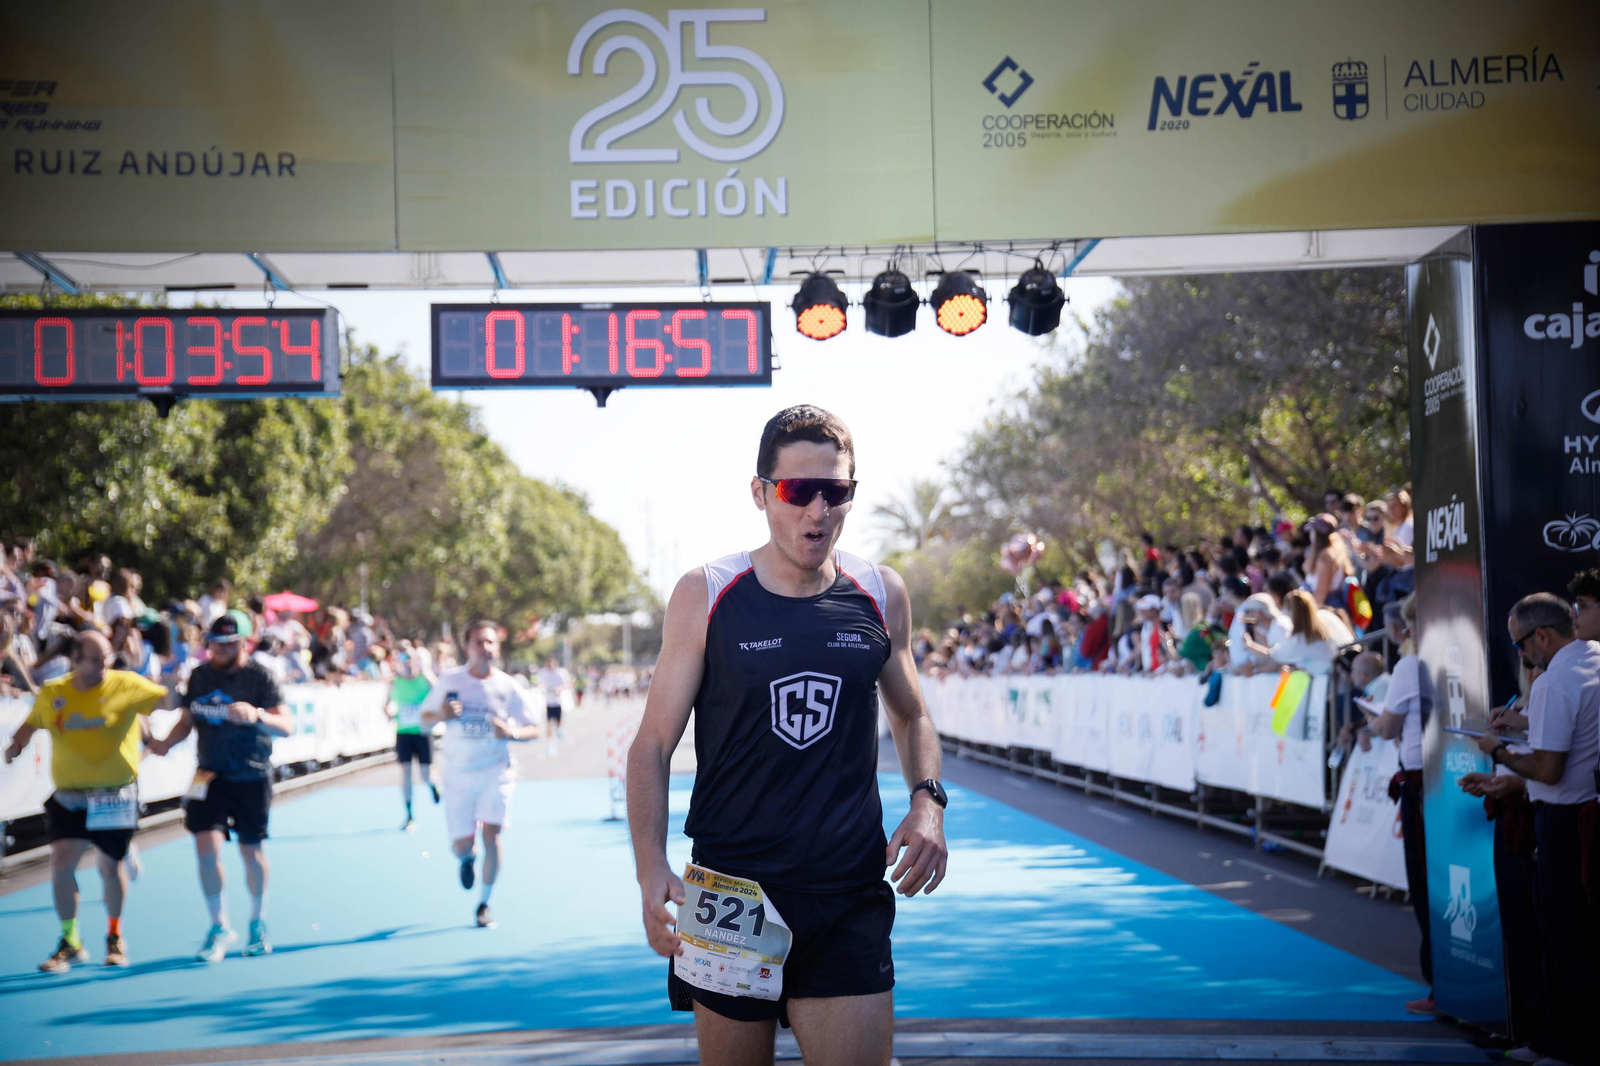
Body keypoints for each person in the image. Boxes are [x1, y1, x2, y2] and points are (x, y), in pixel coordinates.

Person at [627, 405, 948, 1066]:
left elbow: (912, 714)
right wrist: (650, 866)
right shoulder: (707, 593)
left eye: (837, 491)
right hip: (729, 893)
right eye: (798, 490)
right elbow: (652, 745)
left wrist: (928, 802)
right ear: (760, 493)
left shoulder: (880, 592)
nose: (818, 510)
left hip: (847, 894)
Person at [1477, 593, 1600, 1064]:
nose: (1522, 656)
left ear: (1541, 636)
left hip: (1563, 824)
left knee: (1562, 938)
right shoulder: (1589, 660)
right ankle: (1555, 1041)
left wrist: (1499, 750)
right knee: (1571, 938)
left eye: (1520, 646)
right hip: (1580, 817)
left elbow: (1548, 769)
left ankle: (1564, 1047)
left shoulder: (1555, 680)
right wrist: (1523, 727)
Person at [3, 632, 169, 971]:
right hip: (69, 797)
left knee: (110, 867)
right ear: (75, 662)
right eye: (95, 660)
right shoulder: (54, 693)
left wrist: (177, 686)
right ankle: (70, 941)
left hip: (115, 796)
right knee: (61, 866)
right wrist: (13, 749)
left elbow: (167, 701)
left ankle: (114, 935)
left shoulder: (127, 684)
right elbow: (29, 726)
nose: (104, 665)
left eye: (108, 656)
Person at [147, 615, 292, 963]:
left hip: (251, 775)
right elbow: (187, 720)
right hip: (209, 775)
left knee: (251, 852)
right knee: (205, 849)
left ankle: (258, 921)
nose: (221, 650)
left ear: (245, 643)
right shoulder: (200, 675)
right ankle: (219, 926)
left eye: (229, 644)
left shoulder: (260, 677)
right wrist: (165, 743)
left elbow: (286, 725)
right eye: (215, 644)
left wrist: (257, 714)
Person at [419, 621, 539, 928]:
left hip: (495, 772)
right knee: (461, 845)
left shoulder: (508, 685)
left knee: (493, 834)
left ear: (497, 647)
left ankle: (484, 904)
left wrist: (511, 732)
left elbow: (533, 728)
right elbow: (423, 722)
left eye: (490, 643)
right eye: (478, 643)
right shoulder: (450, 680)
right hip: (458, 775)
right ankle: (466, 858)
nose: (485, 648)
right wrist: (442, 715)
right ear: (467, 648)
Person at [1357, 597, 1434, 1015]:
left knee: (1424, 885)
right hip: (1444, 778)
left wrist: (1372, 720)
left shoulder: (1410, 664)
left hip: (1421, 784)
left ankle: (1441, 984)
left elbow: (1388, 726)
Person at [389, 645, 440, 831]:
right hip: (403, 733)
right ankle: (409, 815)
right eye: (403, 659)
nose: (407, 663)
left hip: (423, 732)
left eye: (410, 658)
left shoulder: (423, 680)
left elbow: (439, 689)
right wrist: (388, 712)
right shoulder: (395, 682)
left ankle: (433, 785)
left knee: (425, 774)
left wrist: (424, 669)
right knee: (406, 772)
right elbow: (386, 704)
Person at [536, 655, 570, 757]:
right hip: (547, 703)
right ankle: (551, 746)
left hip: (558, 702)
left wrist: (560, 689)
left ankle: (560, 730)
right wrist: (541, 687)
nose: (550, 665)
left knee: (558, 724)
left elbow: (568, 684)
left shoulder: (561, 673)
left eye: (552, 663)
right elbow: (538, 683)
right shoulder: (543, 672)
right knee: (549, 724)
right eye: (548, 663)